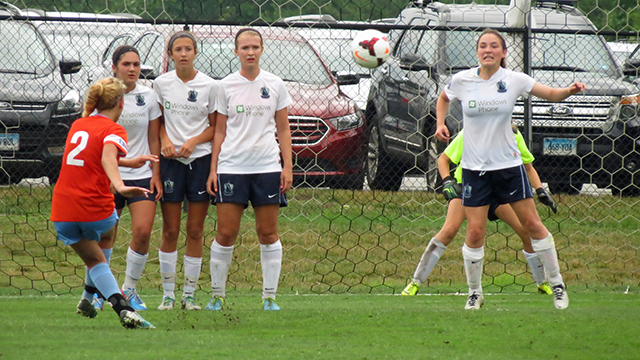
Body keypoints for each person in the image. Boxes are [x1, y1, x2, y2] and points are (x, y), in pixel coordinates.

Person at [434, 28, 586, 310]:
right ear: (477, 52)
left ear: (504, 53)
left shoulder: (514, 80)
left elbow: (551, 94)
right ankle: (475, 293)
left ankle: (557, 285)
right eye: (482, 46)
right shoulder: (463, 80)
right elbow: (443, 98)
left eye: (494, 46)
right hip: (473, 170)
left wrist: (569, 91)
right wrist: (440, 123)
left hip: (508, 166)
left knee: (532, 225)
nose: (487, 50)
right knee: (475, 232)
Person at [402, 126, 557, 297]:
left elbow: (528, 167)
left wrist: (540, 190)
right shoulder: (472, 131)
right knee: (449, 230)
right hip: (469, 189)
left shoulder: (513, 134)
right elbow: (443, 159)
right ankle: (415, 282)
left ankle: (542, 283)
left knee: (526, 232)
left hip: (498, 192)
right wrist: (447, 182)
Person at [50, 77, 155, 329]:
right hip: (93, 208)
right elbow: (108, 157)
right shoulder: (114, 129)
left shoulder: (78, 124)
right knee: (103, 245)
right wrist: (120, 186)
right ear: (120, 103)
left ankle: (88, 297)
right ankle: (123, 307)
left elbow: (89, 157)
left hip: (62, 210)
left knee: (92, 257)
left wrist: (129, 162)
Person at [205, 28, 293, 311]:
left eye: (255, 46)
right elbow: (219, 131)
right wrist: (213, 169)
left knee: (267, 233)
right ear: (236, 52)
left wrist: (287, 167)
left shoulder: (276, 84)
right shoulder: (225, 86)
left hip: (267, 167)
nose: (250, 52)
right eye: (245, 47)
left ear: (262, 49)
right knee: (226, 233)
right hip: (232, 167)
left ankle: (269, 297)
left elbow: (283, 128)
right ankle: (217, 295)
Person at [86, 45, 163, 313]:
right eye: (126, 64)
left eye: (136, 64)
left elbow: (154, 137)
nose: (132, 69)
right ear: (114, 67)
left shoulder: (148, 96)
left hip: (142, 175)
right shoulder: (103, 96)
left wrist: (156, 173)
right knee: (105, 235)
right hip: (111, 176)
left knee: (142, 232)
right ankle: (97, 292)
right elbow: (94, 138)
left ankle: (128, 288)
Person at [154, 30, 218, 311]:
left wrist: (193, 141)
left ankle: (188, 295)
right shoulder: (160, 84)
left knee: (194, 230)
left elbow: (216, 127)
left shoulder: (209, 85)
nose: (183, 53)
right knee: (170, 230)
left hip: (200, 162)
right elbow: (155, 122)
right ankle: (168, 294)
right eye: (177, 49)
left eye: (188, 49)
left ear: (195, 53)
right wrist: (166, 141)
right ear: (170, 54)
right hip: (170, 163)